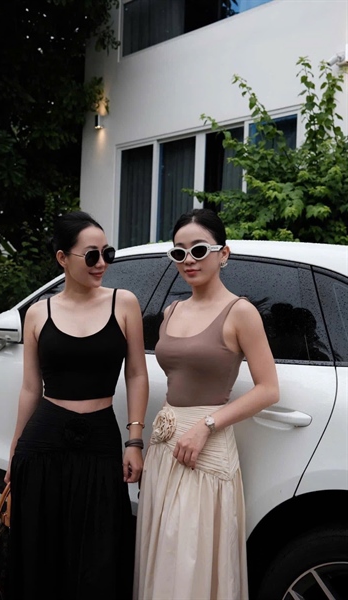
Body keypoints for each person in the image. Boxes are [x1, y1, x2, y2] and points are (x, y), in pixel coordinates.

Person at [133, 208, 279, 600]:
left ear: (223, 253)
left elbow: (269, 389)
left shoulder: (240, 312)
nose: (189, 260)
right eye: (179, 253)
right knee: (163, 553)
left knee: (189, 559)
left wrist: (207, 425)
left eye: (199, 250)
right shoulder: (171, 310)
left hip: (205, 450)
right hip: (165, 448)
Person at [5, 210, 148, 600]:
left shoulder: (124, 303)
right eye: (91, 255)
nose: (102, 263)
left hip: (101, 439)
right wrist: (15, 449)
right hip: (44, 444)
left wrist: (135, 441)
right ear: (62, 258)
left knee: (99, 555)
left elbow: (137, 374)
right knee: (43, 553)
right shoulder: (38, 312)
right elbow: (30, 388)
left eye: (107, 253)